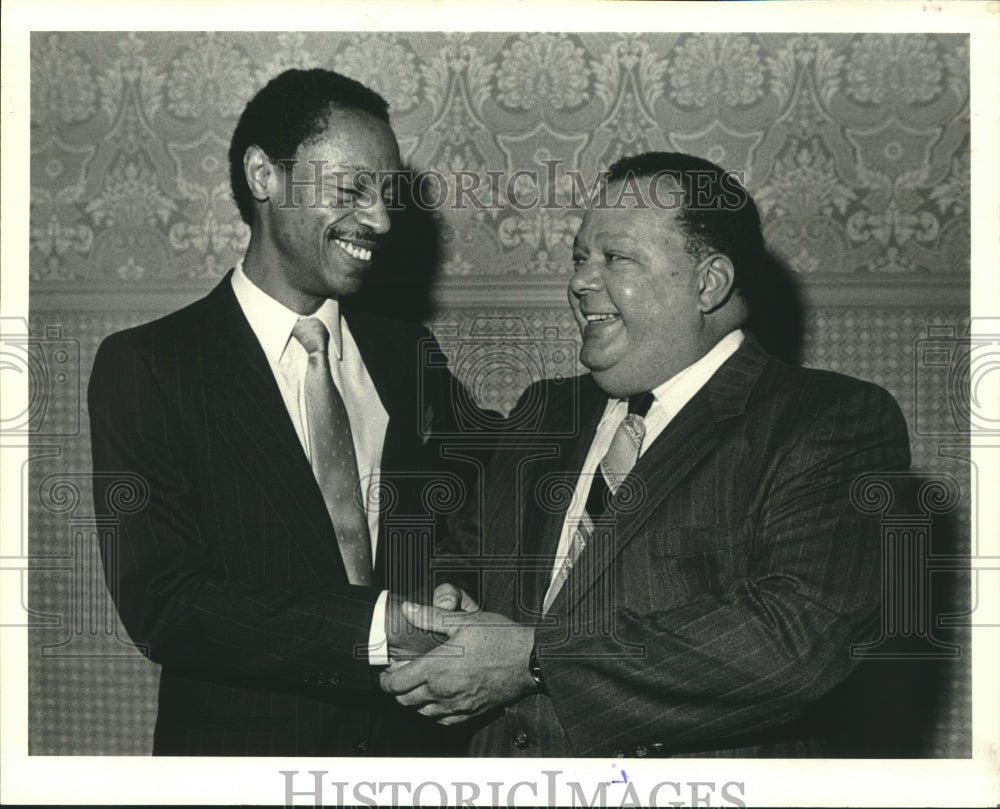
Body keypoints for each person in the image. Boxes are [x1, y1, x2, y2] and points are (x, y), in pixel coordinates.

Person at [380, 152, 913, 757]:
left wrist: (534, 659)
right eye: (580, 257)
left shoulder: (827, 421)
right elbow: (469, 555)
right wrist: (448, 594)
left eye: (617, 258)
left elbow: (796, 641)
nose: (581, 281)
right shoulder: (540, 414)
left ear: (709, 283)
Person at [88, 68, 472, 756]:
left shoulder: (406, 349)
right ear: (263, 175)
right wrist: (381, 627)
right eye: (351, 189)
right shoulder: (149, 365)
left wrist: (452, 587)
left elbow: (464, 508)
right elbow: (165, 603)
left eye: (386, 195)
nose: (380, 220)